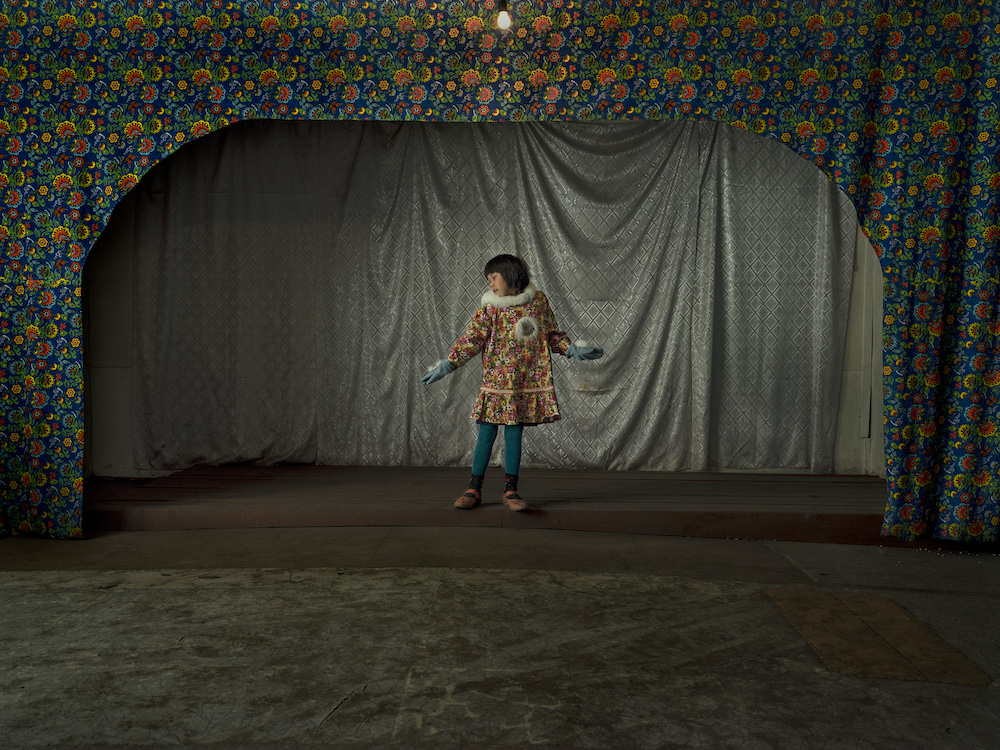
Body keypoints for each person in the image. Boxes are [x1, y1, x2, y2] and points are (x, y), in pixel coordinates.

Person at [420, 254, 603, 511]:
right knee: (486, 434)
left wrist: (571, 348)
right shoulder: (491, 307)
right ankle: (473, 489)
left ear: (510, 274)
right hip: (496, 384)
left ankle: (511, 491)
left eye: (494, 277)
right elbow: (472, 339)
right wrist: (448, 364)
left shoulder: (538, 301)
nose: (491, 283)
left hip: (524, 384)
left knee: (514, 435)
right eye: (488, 279)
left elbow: (551, 333)